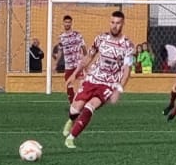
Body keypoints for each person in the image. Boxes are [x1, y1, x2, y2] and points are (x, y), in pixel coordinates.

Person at [63, 9, 136, 149]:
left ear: (123, 24)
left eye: (118, 23)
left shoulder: (128, 46)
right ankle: (71, 120)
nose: (115, 26)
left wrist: (118, 90)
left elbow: (127, 70)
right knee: (75, 109)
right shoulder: (100, 39)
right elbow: (88, 57)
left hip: (109, 83)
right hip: (92, 78)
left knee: (90, 107)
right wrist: (74, 74)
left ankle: (71, 138)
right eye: (112, 22)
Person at [55, 15, 87, 102]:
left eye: (69, 22)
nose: (67, 24)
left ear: (71, 23)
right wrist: (55, 64)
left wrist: (86, 61)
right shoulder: (61, 37)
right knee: (69, 84)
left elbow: (84, 48)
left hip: (78, 64)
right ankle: (72, 105)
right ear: (63, 23)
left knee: (81, 85)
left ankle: (82, 103)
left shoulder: (77, 35)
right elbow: (60, 51)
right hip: (68, 65)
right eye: (66, 22)